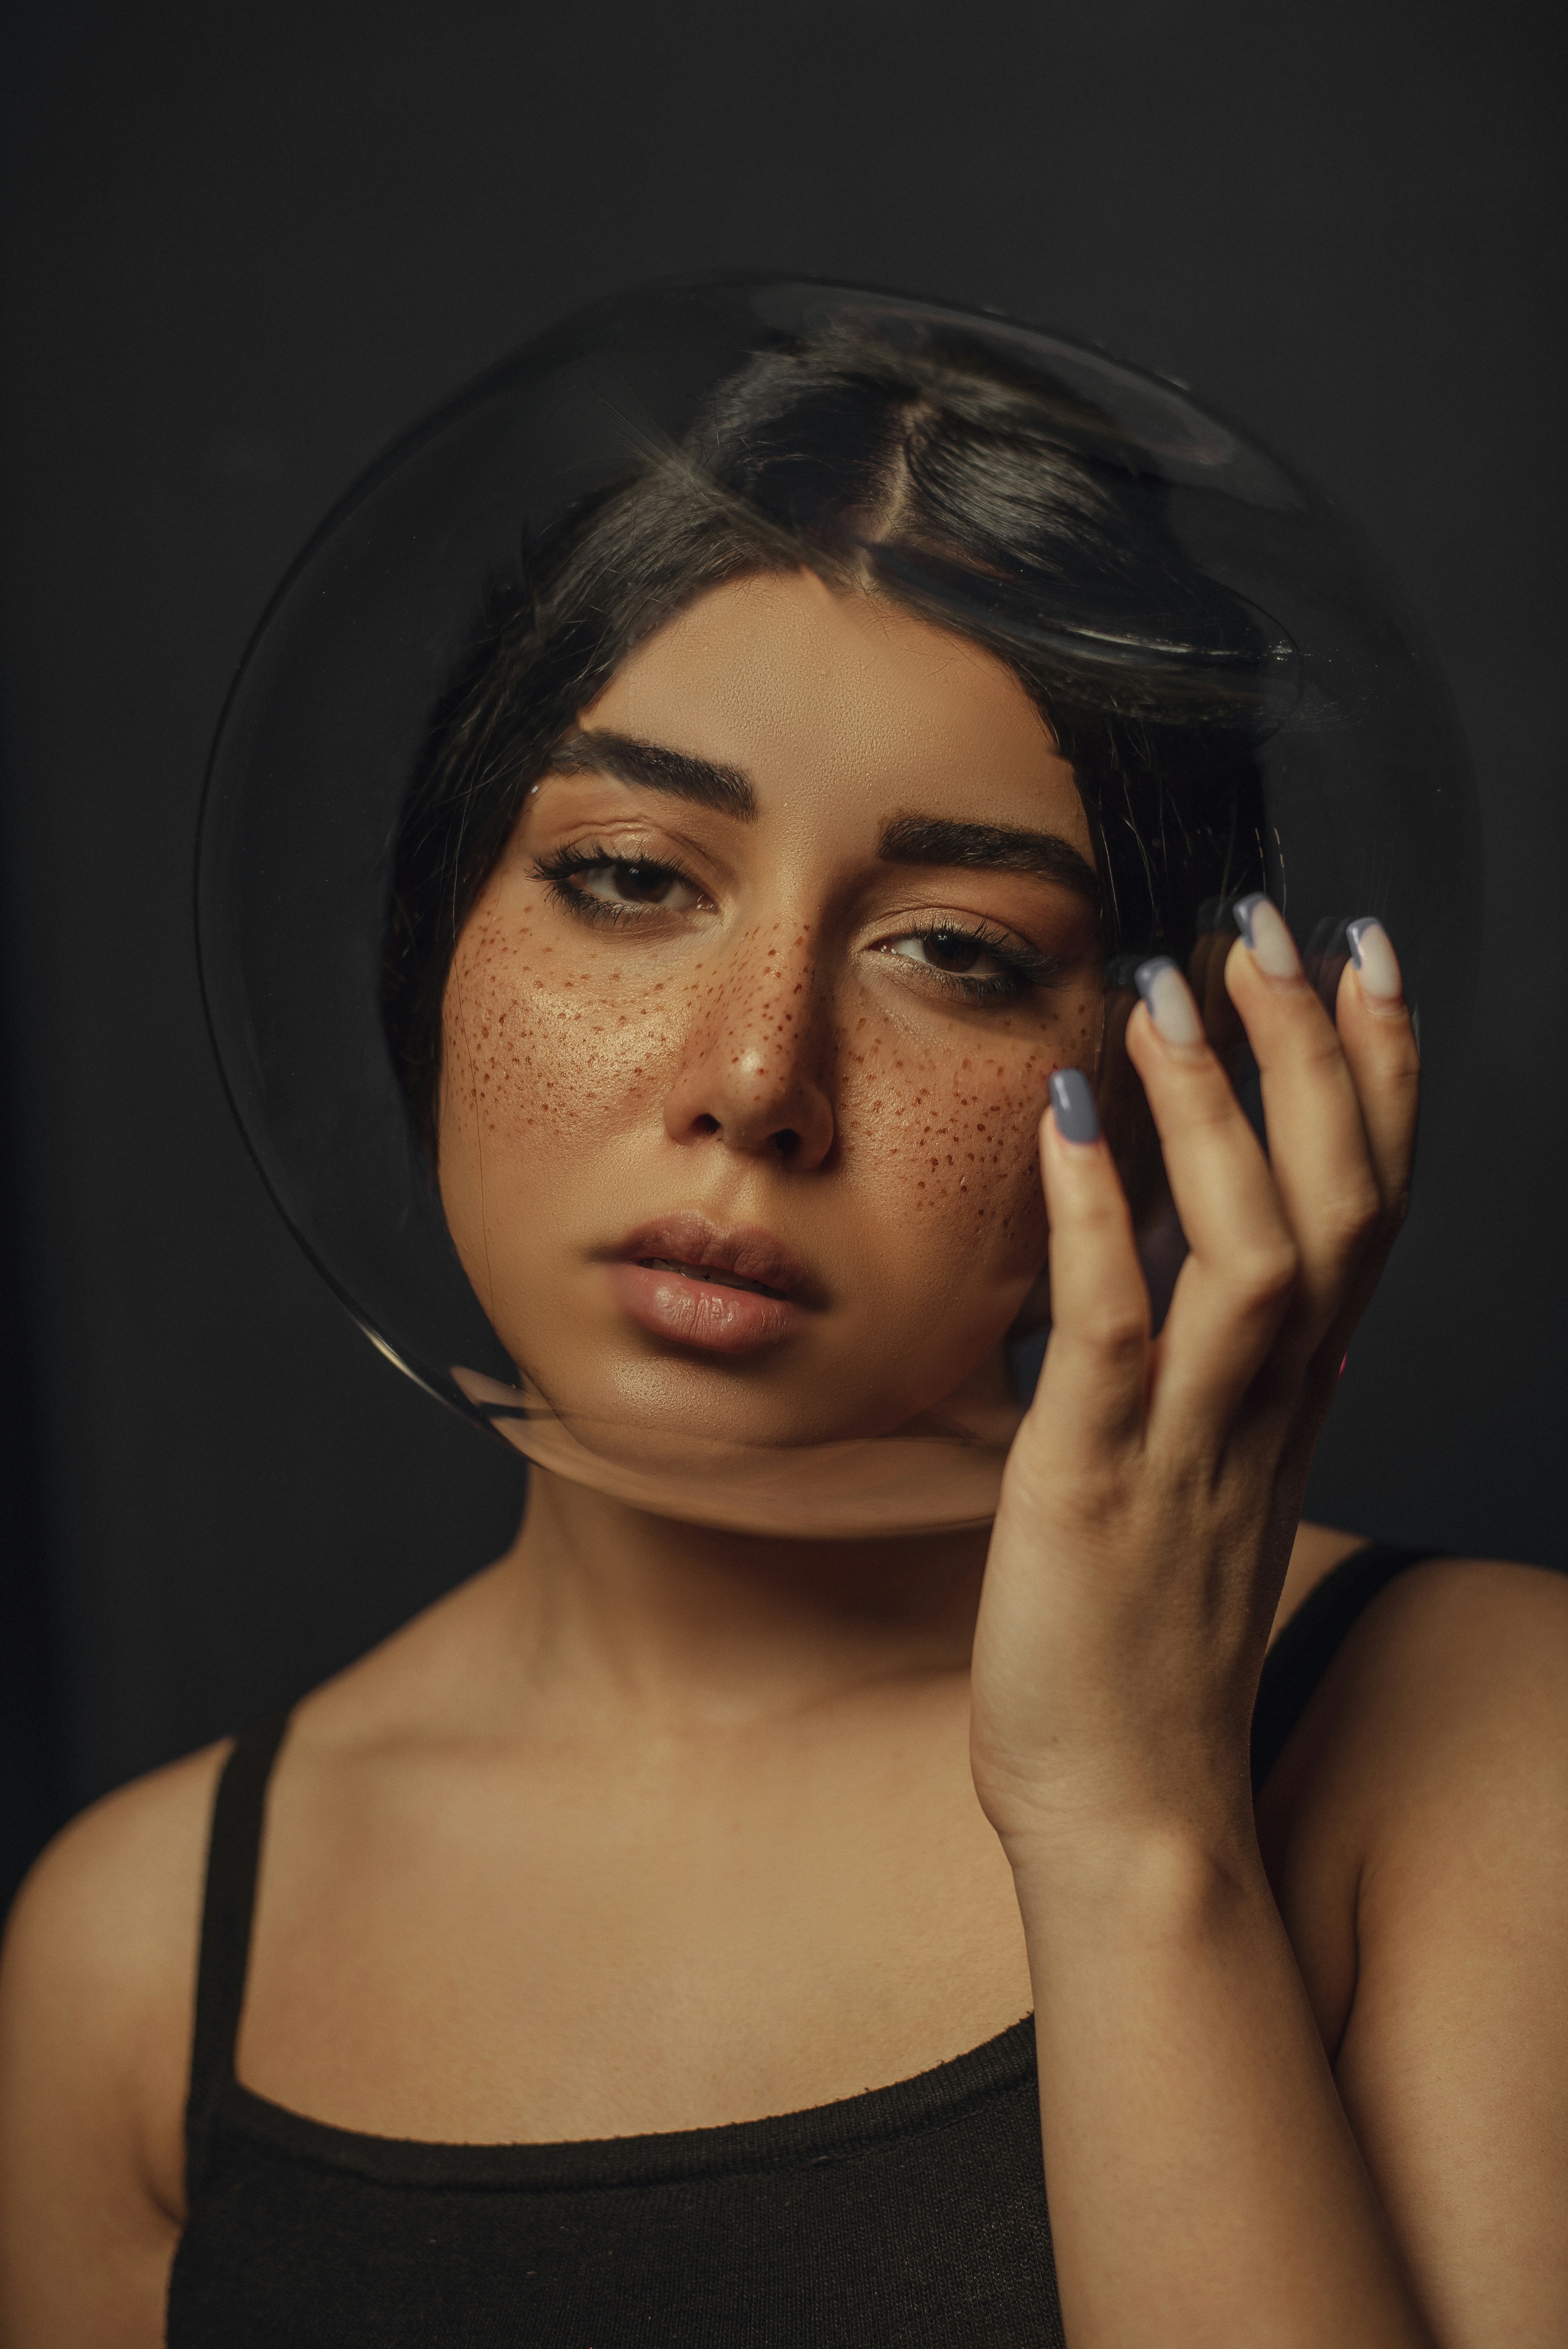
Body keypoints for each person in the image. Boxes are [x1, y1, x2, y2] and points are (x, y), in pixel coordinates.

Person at [1, 314, 1563, 2349]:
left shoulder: (1480, 1748)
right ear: (437, 938)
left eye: (956, 952)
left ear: (1181, 1068)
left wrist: (1134, 1834)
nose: (756, 1076)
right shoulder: (134, 1949)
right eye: (632, 875)